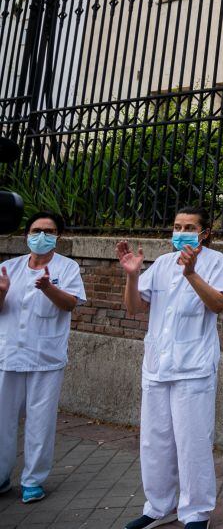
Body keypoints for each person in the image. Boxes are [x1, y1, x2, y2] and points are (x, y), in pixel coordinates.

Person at [118, 207, 223, 529]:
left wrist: (192, 274)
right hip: (157, 366)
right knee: (154, 442)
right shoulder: (161, 265)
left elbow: (218, 304)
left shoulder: (215, 262)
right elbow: (134, 308)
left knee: (192, 442)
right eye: (177, 226)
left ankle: (196, 512)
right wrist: (131, 275)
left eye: (189, 227)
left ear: (205, 233)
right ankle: (158, 506)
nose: (181, 231)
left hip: (193, 367)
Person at [0, 211, 85, 504]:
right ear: (27, 235)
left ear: (57, 236)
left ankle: (33, 480)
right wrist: (1, 294)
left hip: (46, 357)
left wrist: (48, 288)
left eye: (49, 231)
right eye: (36, 230)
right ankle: (1, 475)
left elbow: (70, 304)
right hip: (8, 353)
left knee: (40, 421)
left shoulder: (68, 267)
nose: (41, 236)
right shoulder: (8, 268)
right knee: (2, 419)